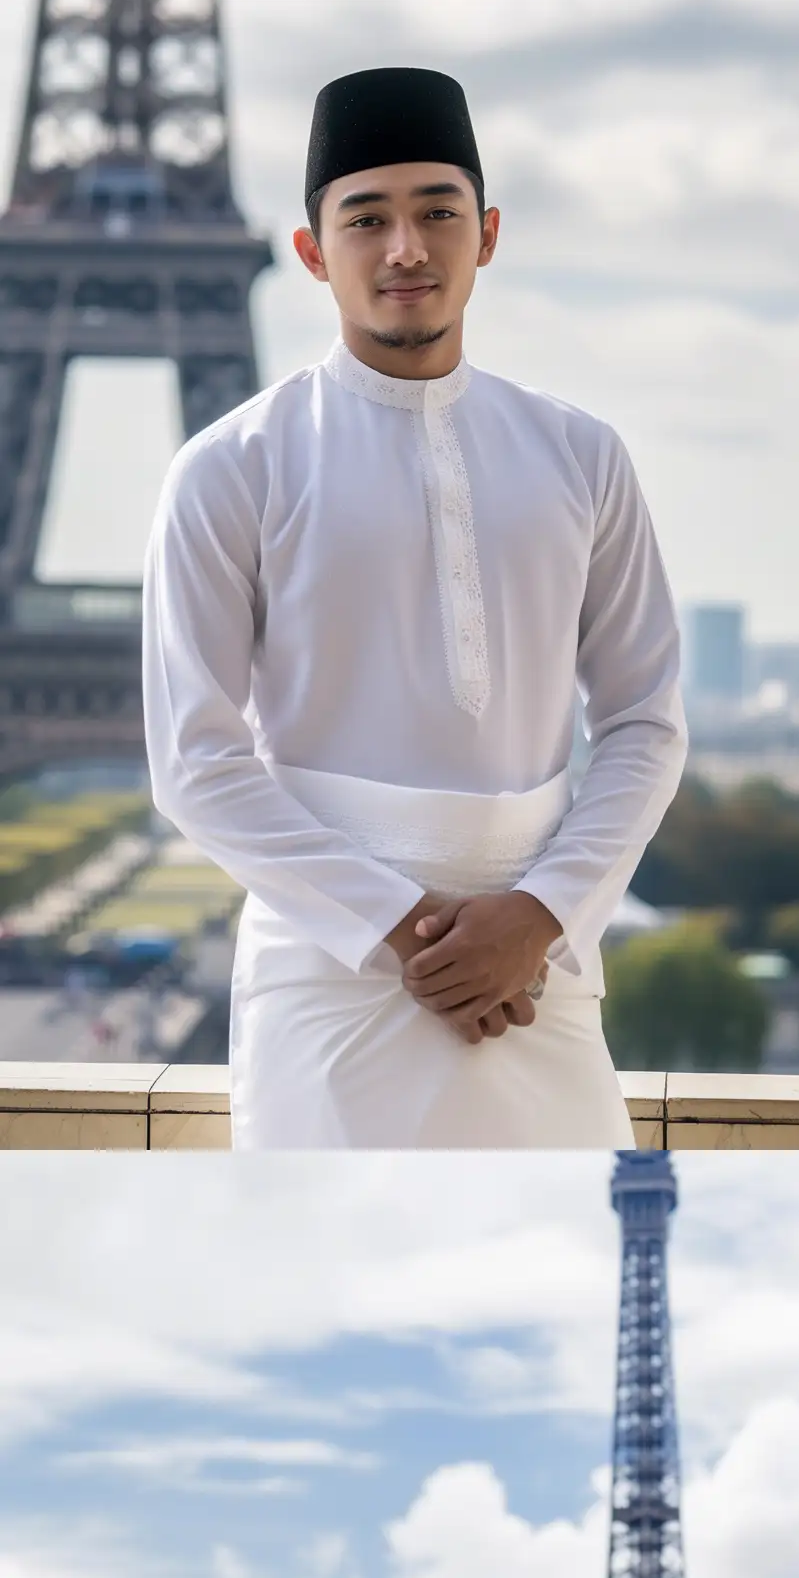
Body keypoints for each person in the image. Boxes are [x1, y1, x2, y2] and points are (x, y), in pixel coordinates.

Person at [143, 67, 687, 1149]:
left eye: (437, 212)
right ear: (312, 252)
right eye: (367, 219)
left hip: (541, 967)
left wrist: (534, 918)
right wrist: (404, 928)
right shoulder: (227, 469)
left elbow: (644, 721)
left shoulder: (583, 454)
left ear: (485, 234)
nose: (406, 248)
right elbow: (194, 763)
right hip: (330, 967)